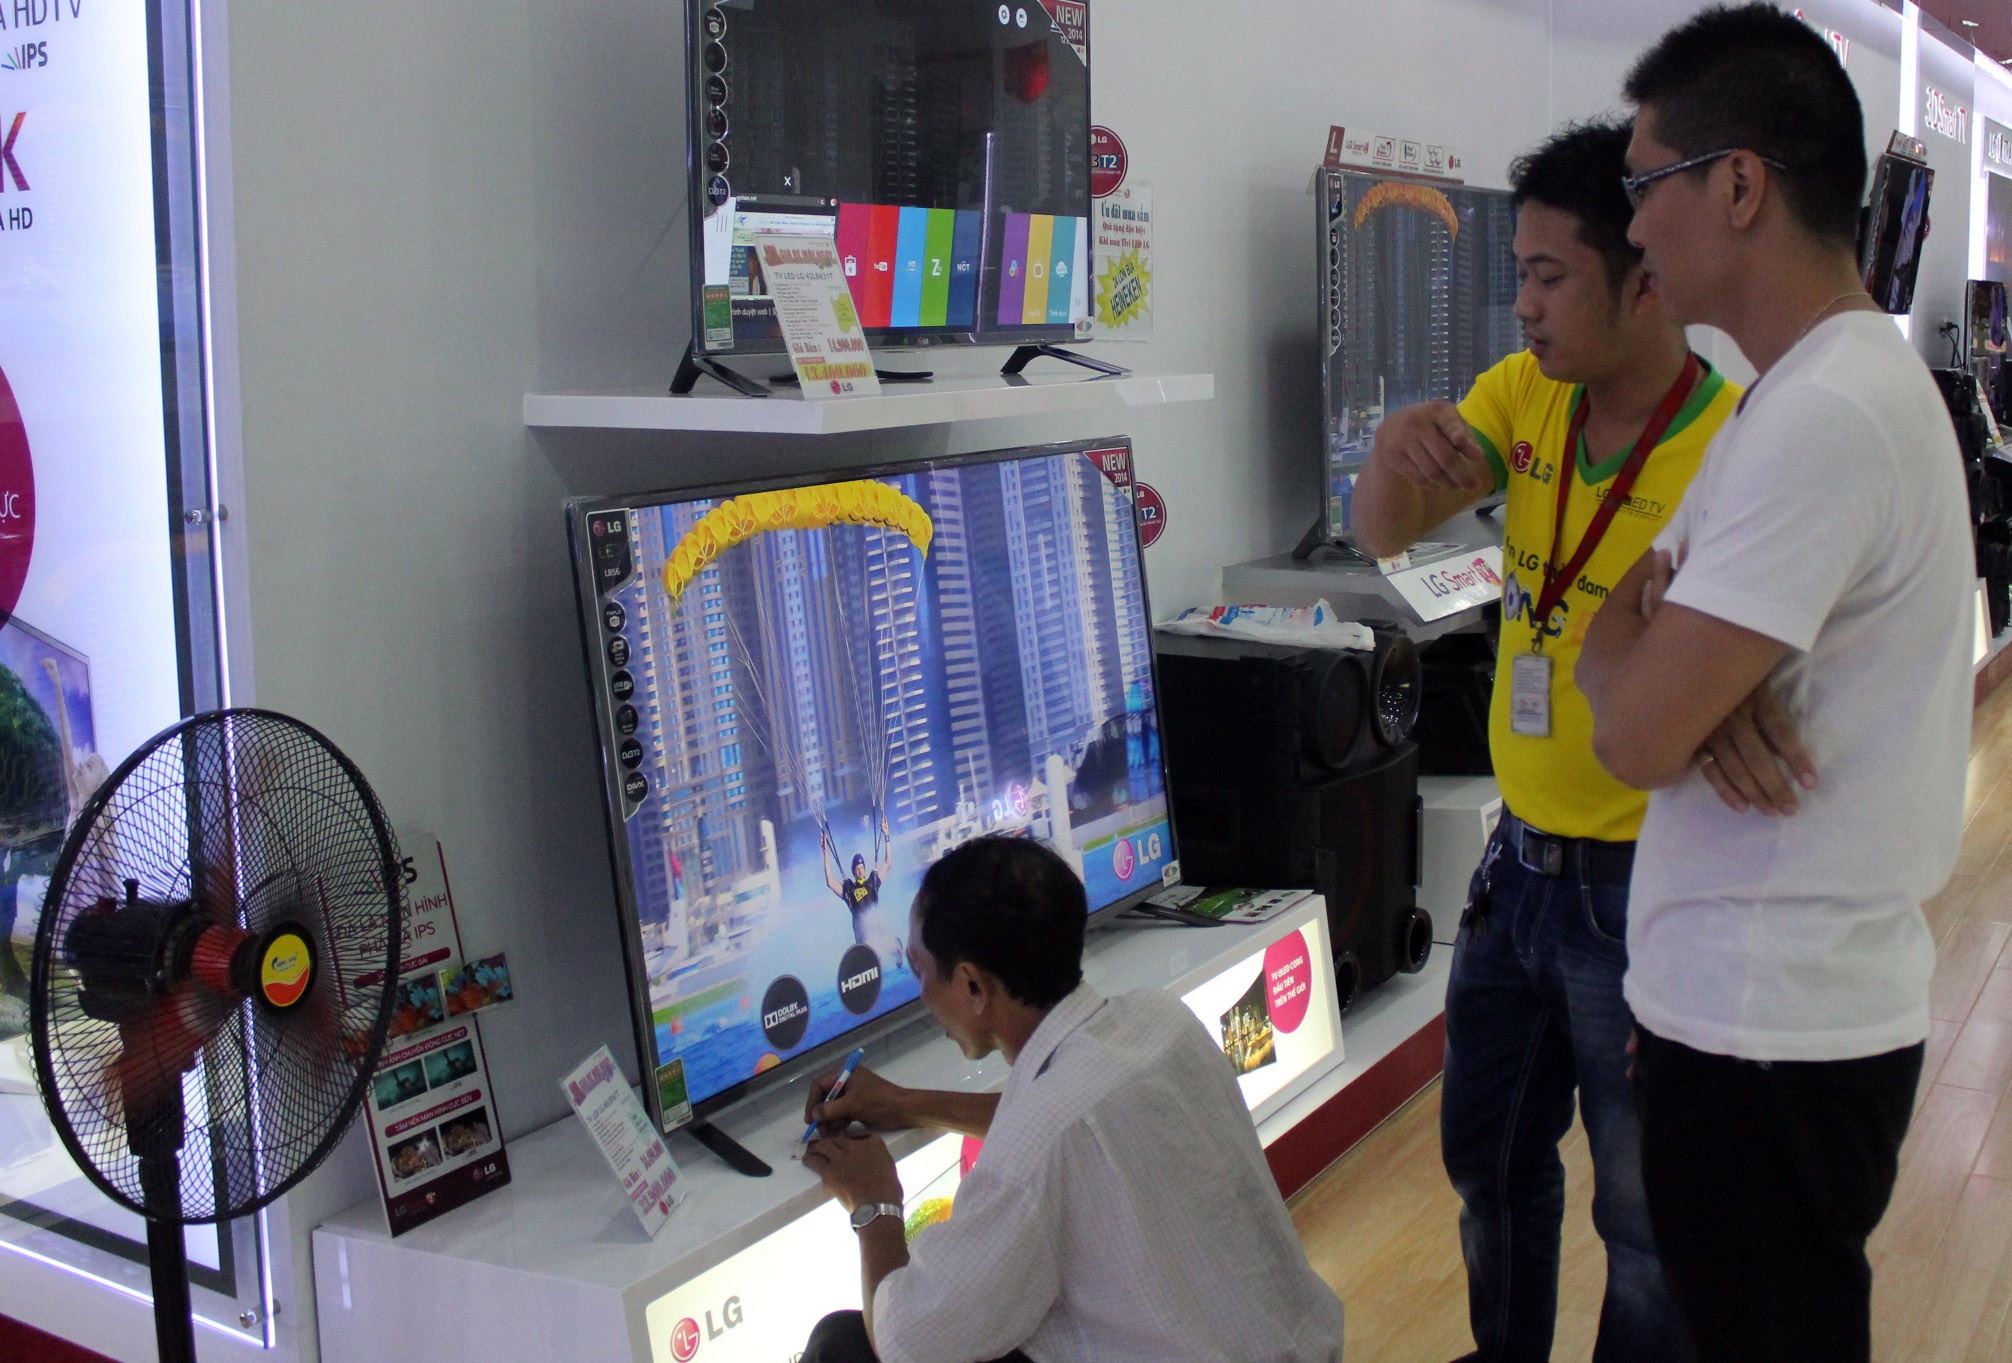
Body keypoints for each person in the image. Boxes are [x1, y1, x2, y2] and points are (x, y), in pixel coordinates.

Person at [1577, 8, 1974, 1359]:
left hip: (1773, 1037)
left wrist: (1658, 668)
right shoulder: (1795, 395)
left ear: (1738, 184)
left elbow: (1634, 731)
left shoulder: (1826, 415)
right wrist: (1659, 656)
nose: (1632, 227)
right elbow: (1631, 628)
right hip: (1748, 1017)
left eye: (1645, 183)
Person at [1351, 119, 1737, 1363]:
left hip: (1647, 889)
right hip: (1515, 871)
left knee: (1645, 1217)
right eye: (1516, 273)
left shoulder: (1730, 445)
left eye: (1547, 276)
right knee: (1488, 1162)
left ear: (1643, 278)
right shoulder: (1525, 397)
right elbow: (1382, 530)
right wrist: (1391, 457)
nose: (1520, 306)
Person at [796, 836, 1344, 1363]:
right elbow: (1068, 1122)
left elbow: (907, 1343)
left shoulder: (1034, 1150)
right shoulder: (1162, 1020)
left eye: (921, 971)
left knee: (840, 1344)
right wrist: (908, 1104)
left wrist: (876, 1202)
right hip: (1300, 1346)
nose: (921, 995)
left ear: (973, 986)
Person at [825, 817, 901, 966]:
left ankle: (896, 948)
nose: (860, 870)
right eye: (857, 868)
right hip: (863, 937)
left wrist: (886, 835)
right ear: (853, 871)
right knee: (873, 953)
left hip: (877, 930)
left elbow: (888, 863)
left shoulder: (872, 882)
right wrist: (825, 853)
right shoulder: (849, 891)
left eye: (862, 867)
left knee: (892, 949)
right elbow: (830, 882)